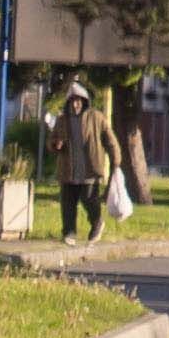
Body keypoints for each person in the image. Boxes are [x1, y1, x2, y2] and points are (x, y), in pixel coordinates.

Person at [47, 81, 120, 245]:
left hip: (89, 169)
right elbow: (51, 140)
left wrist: (116, 161)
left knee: (89, 199)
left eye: (78, 100)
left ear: (85, 101)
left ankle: (97, 222)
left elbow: (110, 140)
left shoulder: (96, 118)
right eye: (72, 101)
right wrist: (55, 144)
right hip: (68, 169)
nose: (75, 104)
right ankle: (69, 232)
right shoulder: (62, 120)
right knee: (68, 203)